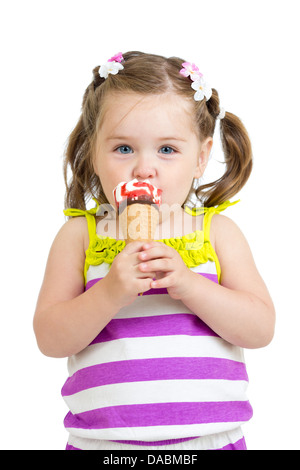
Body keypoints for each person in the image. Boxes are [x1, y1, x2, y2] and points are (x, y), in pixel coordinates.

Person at [33, 51, 275, 451]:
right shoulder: (80, 237)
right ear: (94, 154)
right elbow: (50, 338)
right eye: (124, 149)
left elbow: (260, 328)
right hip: (104, 444)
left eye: (167, 150)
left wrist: (190, 285)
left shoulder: (217, 233)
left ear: (200, 158)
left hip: (210, 442)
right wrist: (109, 292)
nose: (144, 169)